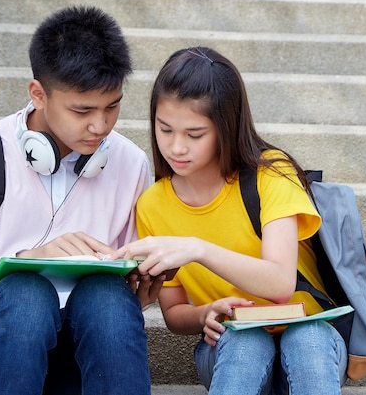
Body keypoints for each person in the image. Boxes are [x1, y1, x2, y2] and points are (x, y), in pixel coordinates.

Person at [0, 5, 160, 395]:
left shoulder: (130, 162)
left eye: (112, 106)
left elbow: (120, 294)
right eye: (82, 110)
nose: (100, 126)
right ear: (38, 94)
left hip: (76, 355)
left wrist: (141, 290)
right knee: (26, 293)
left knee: (107, 296)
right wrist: (25, 261)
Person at [112, 47, 348, 395]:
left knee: (307, 336)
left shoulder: (271, 173)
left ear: (225, 127)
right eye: (165, 130)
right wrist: (206, 312)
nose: (176, 147)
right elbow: (175, 312)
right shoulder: (153, 205)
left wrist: (197, 249)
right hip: (232, 352)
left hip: (312, 347)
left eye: (194, 135)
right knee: (244, 337)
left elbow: (280, 283)